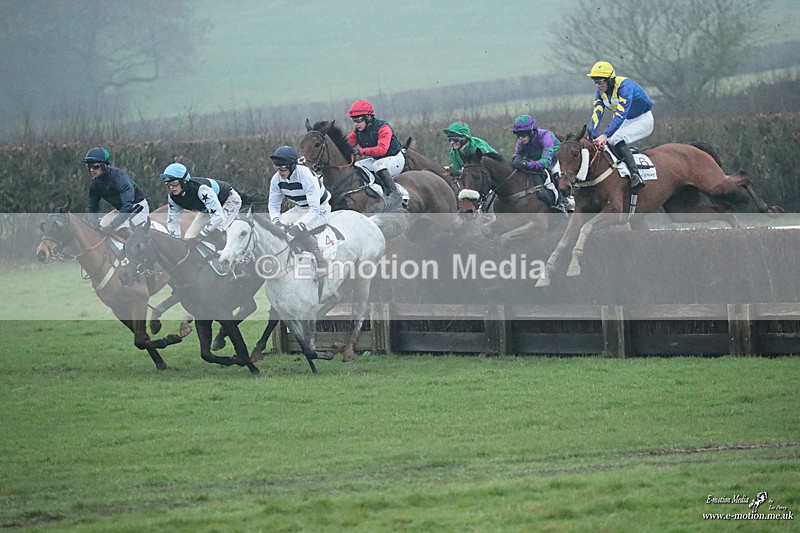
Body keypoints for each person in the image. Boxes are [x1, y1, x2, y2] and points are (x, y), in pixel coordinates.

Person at [587, 60, 654, 193]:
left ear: (610, 79)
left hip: (643, 119)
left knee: (615, 138)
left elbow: (620, 115)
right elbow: (597, 113)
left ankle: (636, 175)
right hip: (626, 120)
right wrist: (591, 135)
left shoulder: (625, 87)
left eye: (600, 82)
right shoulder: (601, 92)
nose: (597, 85)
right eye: (595, 82)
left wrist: (604, 135)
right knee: (607, 142)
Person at [268, 145, 331, 278]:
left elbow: (314, 209)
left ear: (292, 166)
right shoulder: (276, 180)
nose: (280, 172)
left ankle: (321, 262)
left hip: (320, 209)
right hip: (300, 208)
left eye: (283, 168)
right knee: (274, 230)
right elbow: (273, 205)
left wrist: (298, 227)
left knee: (299, 231)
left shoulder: (306, 176)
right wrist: (276, 221)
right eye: (277, 168)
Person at [159, 162, 242, 245]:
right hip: (208, 209)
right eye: (168, 183)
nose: (171, 187)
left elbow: (218, 216)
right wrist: (175, 242)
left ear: (184, 181)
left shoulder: (201, 189)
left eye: (174, 183)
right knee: (189, 238)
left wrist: (201, 235)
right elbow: (173, 221)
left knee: (214, 234)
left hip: (230, 200)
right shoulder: (173, 198)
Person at [510, 114, 572, 212]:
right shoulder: (521, 142)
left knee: (556, 175)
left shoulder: (546, 137)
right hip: (536, 159)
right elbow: (516, 156)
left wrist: (527, 164)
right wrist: (518, 161)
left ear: (532, 132)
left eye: (523, 134)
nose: (521, 138)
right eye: (518, 135)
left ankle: (566, 201)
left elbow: (546, 162)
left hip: (555, 157)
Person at [83, 146, 148, 237]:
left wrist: (111, 226)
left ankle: (137, 246)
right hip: (122, 210)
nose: (91, 170)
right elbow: (92, 207)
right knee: (100, 226)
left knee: (120, 227)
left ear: (104, 166)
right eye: (89, 166)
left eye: (95, 166)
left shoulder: (120, 179)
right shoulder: (95, 185)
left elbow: (128, 206)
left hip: (138, 207)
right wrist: (94, 224)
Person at [346, 99, 404, 197]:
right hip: (378, 160)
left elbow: (382, 149)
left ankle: (394, 195)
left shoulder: (383, 127)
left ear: (368, 117)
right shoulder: (357, 132)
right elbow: (346, 145)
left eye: (358, 119)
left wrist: (361, 151)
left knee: (378, 165)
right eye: (353, 120)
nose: (356, 124)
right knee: (357, 165)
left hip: (395, 159)